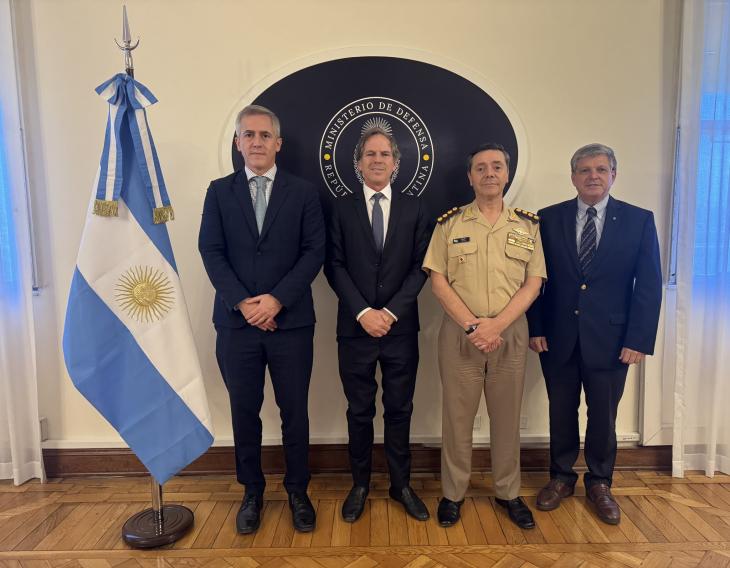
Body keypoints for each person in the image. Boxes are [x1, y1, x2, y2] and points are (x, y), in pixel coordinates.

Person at [198, 105, 325, 534]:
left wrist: (276, 301)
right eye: (249, 135)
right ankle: (251, 491)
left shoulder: (303, 193)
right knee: (244, 412)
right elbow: (211, 251)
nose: (256, 142)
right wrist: (245, 304)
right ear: (238, 143)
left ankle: (298, 491)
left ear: (278, 143)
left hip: (291, 324)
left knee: (295, 412)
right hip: (237, 326)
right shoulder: (219, 192)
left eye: (264, 135)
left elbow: (314, 252)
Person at [527, 143, 662, 525]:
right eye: (584, 170)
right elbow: (534, 278)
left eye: (601, 169)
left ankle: (600, 482)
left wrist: (638, 340)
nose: (593, 176)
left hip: (613, 341)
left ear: (613, 175)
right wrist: (536, 327)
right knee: (561, 412)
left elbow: (648, 284)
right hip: (557, 338)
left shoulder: (638, 220)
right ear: (573, 177)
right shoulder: (547, 219)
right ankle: (561, 477)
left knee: (603, 416)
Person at [422, 143, 546, 529]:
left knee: (507, 417)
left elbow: (533, 283)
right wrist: (474, 327)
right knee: (457, 418)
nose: (489, 173)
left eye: (496, 167)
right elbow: (438, 281)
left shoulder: (527, 226)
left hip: (510, 333)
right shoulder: (450, 224)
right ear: (470, 177)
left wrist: (497, 325)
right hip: (460, 334)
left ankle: (508, 492)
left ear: (507, 174)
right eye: (481, 168)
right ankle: (453, 494)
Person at [324, 127, 431, 522]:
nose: (377, 160)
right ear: (358, 163)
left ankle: (401, 485)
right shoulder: (340, 208)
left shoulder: (416, 208)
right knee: (359, 411)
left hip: (400, 329)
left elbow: (421, 267)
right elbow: (333, 265)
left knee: (400, 409)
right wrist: (363, 312)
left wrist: (389, 313)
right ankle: (360, 485)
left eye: (385, 154)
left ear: (396, 163)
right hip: (355, 329)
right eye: (370, 154)